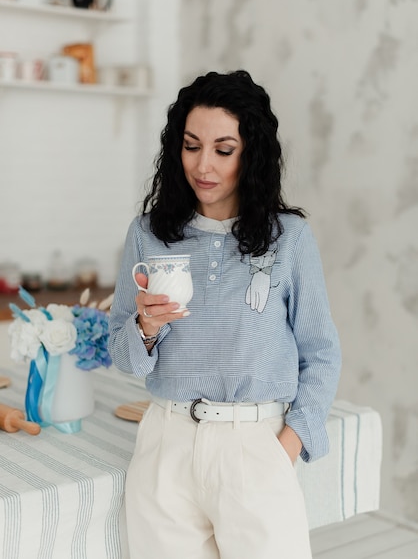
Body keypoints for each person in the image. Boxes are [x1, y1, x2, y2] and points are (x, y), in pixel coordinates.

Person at [108, 70, 342, 559]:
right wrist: (145, 328)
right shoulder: (147, 234)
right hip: (165, 447)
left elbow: (320, 353)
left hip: (255, 446)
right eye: (191, 146)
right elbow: (125, 358)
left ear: (250, 154)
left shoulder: (289, 238)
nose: (203, 166)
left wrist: (286, 447)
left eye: (223, 149)